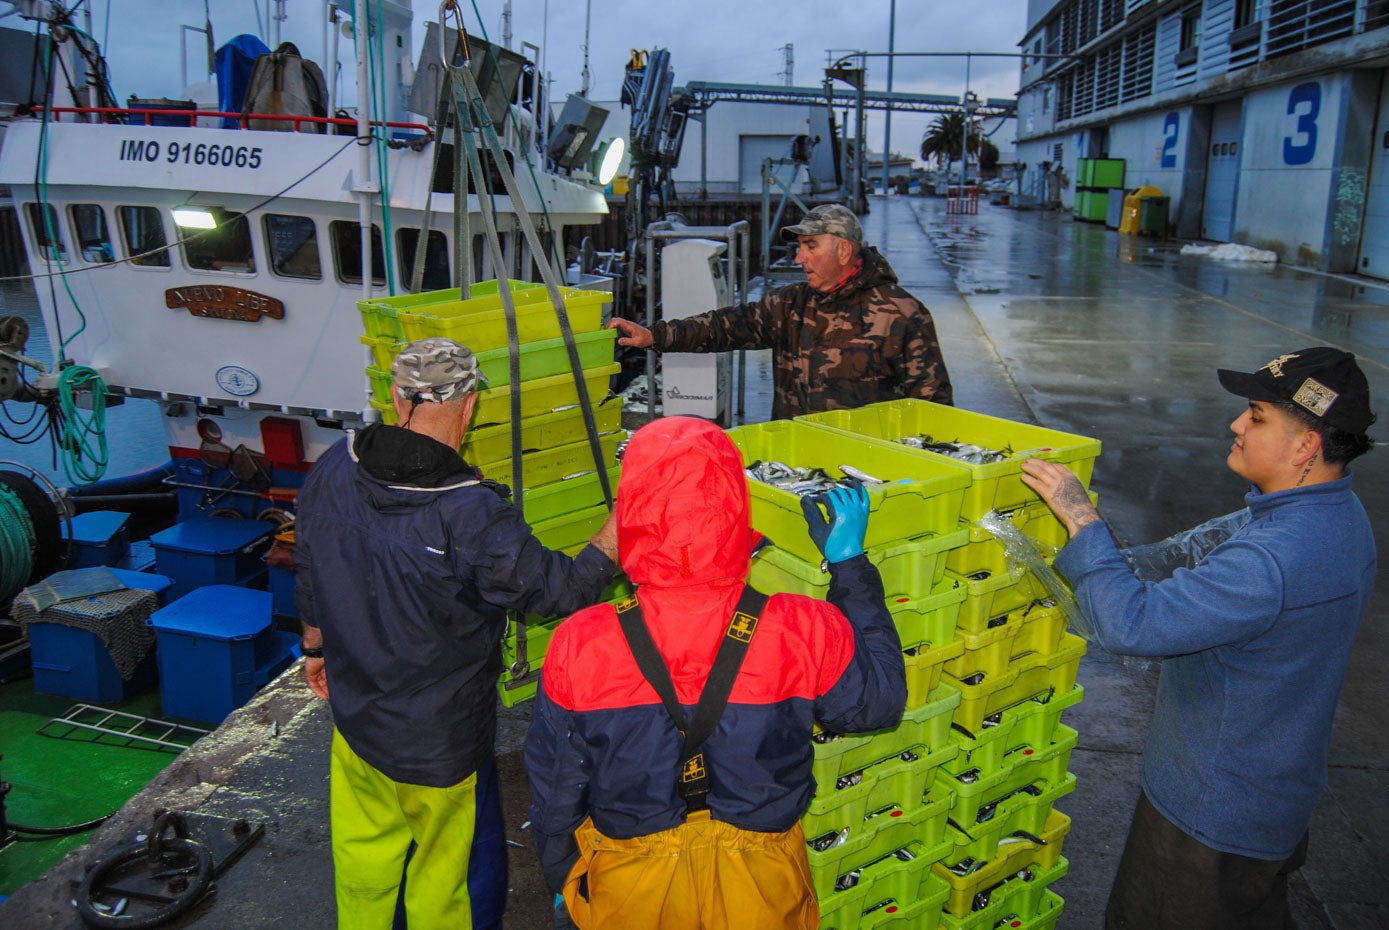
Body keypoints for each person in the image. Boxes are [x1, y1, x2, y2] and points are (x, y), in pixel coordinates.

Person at [1019, 347, 1377, 930]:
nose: (1236, 424)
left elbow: (1130, 624)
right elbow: (1189, 564)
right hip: (1274, 790)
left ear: (1305, 445)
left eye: (1257, 416)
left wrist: (1081, 520)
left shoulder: (1275, 555)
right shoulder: (1335, 516)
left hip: (1212, 812)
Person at [523, 415, 908, 930]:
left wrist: (564, 877)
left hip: (629, 889)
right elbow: (880, 704)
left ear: (630, 510)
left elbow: (556, 786)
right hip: (762, 890)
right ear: (735, 504)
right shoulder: (804, 626)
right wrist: (850, 564)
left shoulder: (580, 640)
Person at [294, 337, 619, 930]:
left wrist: (315, 647)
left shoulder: (335, 467)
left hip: (358, 720)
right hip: (439, 745)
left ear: (397, 397)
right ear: (469, 405)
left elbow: (310, 564)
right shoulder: (471, 513)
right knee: (451, 880)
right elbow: (559, 592)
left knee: (365, 858)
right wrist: (617, 532)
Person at [608, 203, 952, 419]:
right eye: (799, 247)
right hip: (793, 461)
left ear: (844, 250)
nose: (799, 258)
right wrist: (655, 335)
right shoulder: (791, 304)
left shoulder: (902, 314)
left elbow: (933, 410)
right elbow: (726, 325)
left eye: (810, 246)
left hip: (863, 476)